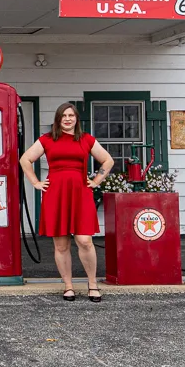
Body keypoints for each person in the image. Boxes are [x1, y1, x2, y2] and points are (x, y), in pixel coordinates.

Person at [20, 103, 116, 302]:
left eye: (71, 115)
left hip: (80, 193)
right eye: (64, 115)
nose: (68, 119)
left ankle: (92, 284)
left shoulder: (86, 139)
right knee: (61, 244)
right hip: (55, 194)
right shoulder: (47, 139)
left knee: (85, 241)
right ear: (58, 119)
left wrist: (97, 180)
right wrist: (36, 182)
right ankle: (68, 286)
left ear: (76, 119)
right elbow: (25, 160)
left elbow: (107, 160)